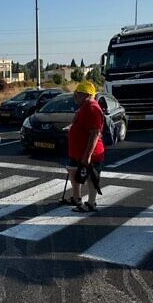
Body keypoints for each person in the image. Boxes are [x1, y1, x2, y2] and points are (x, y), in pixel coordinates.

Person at [59, 81, 105, 212]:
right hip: (77, 152)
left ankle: (91, 203)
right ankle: (76, 198)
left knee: (91, 178)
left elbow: (95, 133)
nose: (75, 96)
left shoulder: (92, 108)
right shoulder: (84, 107)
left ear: (86, 95)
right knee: (73, 172)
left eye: (77, 94)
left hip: (90, 153)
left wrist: (88, 155)